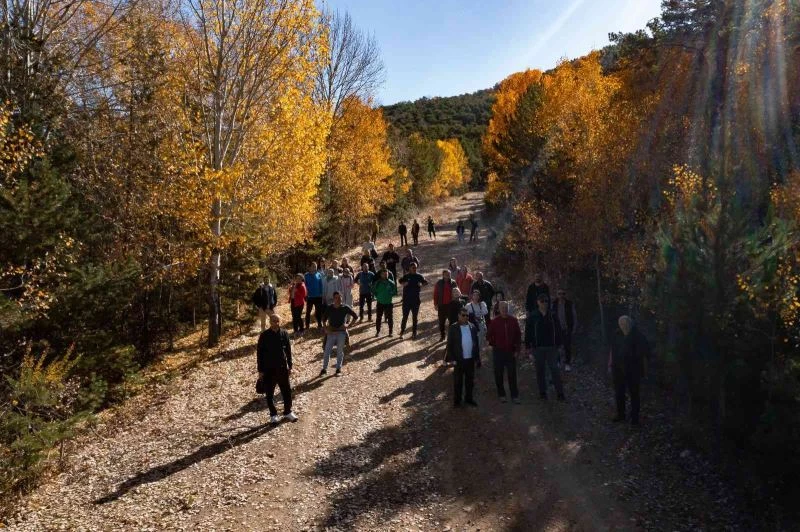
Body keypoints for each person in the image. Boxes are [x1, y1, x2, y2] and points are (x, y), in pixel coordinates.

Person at [608, 316, 650, 426]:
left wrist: (645, 371)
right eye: (621, 324)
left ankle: (634, 418)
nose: (623, 326)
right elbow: (612, 350)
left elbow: (644, 355)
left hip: (633, 370)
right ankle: (621, 414)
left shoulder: (638, 336)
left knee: (634, 394)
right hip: (617, 369)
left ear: (630, 324)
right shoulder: (617, 334)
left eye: (625, 323)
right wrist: (610, 364)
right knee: (619, 393)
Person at [257, 314, 298, 424]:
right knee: (269, 394)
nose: (276, 323)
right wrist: (260, 371)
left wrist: (290, 366)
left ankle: (288, 411)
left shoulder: (284, 333)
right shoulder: (264, 336)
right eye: (273, 321)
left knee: (287, 391)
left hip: (282, 368)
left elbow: (288, 351)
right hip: (268, 370)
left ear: (280, 322)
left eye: (277, 321)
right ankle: (273, 415)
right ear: (270, 322)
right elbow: (259, 354)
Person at [526, 293, 565, 400]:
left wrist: (560, 345)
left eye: (546, 301)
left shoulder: (553, 315)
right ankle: (543, 393)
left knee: (555, 370)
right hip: (538, 348)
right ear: (538, 302)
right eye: (542, 301)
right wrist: (528, 348)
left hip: (552, 348)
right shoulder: (533, 316)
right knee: (540, 371)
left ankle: (560, 393)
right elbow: (528, 332)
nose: (544, 303)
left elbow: (558, 331)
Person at [486, 301, 522, 403]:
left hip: (511, 352)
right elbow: (488, 336)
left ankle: (514, 395)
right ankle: (501, 394)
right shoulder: (495, 321)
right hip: (498, 352)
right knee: (499, 374)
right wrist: (494, 344)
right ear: (498, 309)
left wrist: (517, 349)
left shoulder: (513, 320)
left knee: (512, 374)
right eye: (502, 308)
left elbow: (518, 336)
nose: (504, 310)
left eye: (506, 308)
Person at [447, 308, 481, 407]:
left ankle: (469, 399)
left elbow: (476, 343)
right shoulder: (453, 328)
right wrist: (452, 359)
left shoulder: (472, 327)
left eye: (467, 315)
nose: (465, 317)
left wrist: (477, 357)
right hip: (458, 360)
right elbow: (450, 345)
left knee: (470, 381)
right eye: (463, 315)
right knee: (458, 381)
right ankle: (457, 401)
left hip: (470, 359)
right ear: (458, 316)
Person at [320, 292, 358, 376]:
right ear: (333, 299)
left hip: (341, 332)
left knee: (339, 351)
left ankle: (338, 369)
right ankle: (324, 369)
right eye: (336, 298)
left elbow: (355, 316)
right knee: (327, 351)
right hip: (331, 332)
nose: (338, 299)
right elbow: (323, 319)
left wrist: (348, 325)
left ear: (341, 298)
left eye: (339, 297)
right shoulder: (329, 308)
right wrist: (326, 328)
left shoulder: (345, 307)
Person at [398, 262, 428, 339]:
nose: (414, 268)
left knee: (415, 318)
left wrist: (421, 284)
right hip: (406, 301)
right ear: (410, 268)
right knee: (405, 317)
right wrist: (404, 283)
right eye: (413, 267)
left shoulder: (419, 276)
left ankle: (414, 333)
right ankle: (402, 332)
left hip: (416, 300)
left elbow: (426, 282)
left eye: (415, 267)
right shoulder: (406, 276)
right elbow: (400, 281)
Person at [553, 288, 578, 371]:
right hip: (557, 328)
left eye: (563, 294)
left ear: (565, 294)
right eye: (559, 294)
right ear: (557, 295)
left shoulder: (569, 304)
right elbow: (551, 316)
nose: (561, 296)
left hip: (567, 328)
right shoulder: (554, 304)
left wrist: (574, 327)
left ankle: (567, 363)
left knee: (567, 346)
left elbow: (574, 315)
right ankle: (558, 362)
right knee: (557, 346)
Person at [433, 269, 458, 342]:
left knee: (452, 322)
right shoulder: (439, 283)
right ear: (443, 275)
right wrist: (435, 304)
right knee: (441, 322)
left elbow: (457, 293)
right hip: (441, 306)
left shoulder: (453, 283)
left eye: (449, 274)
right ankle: (442, 336)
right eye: (447, 274)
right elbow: (435, 294)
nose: (448, 275)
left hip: (451, 306)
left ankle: (450, 337)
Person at [372, 268, 397, 336]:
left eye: (386, 274)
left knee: (390, 318)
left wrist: (391, 292)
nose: (385, 275)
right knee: (378, 318)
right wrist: (377, 297)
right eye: (384, 274)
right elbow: (373, 290)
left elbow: (395, 292)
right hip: (380, 303)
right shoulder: (378, 283)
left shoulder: (391, 282)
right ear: (381, 275)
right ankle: (377, 331)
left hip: (388, 303)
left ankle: (390, 332)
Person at [304, 262, 324, 329]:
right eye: (312, 266)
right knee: (308, 312)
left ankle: (319, 324)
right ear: (309, 267)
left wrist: (321, 294)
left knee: (318, 311)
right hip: (310, 297)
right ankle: (307, 326)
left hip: (318, 296)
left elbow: (321, 284)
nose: (314, 267)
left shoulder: (319, 274)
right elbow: (305, 286)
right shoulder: (306, 275)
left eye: (315, 266)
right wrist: (305, 295)